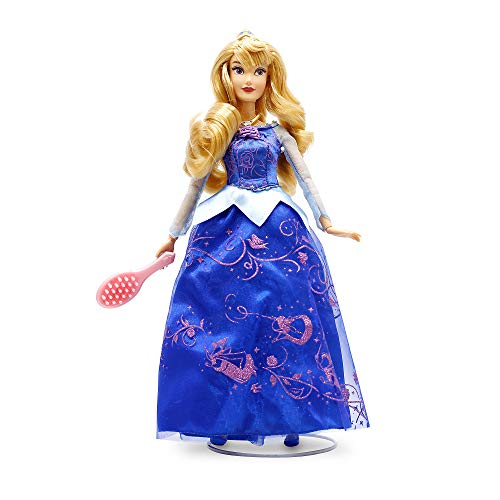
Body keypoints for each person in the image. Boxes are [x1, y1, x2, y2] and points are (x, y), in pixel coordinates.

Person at [155, 31, 369, 449]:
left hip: (279, 226)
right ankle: (221, 417)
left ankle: (293, 417)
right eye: (240, 70)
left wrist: (326, 222)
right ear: (227, 75)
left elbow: (305, 178)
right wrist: (172, 235)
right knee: (222, 322)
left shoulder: (278, 132)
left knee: (289, 315)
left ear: (270, 77)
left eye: (258, 71)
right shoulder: (222, 129)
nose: (248, 79)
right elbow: (196, 184)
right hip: (226, 227)